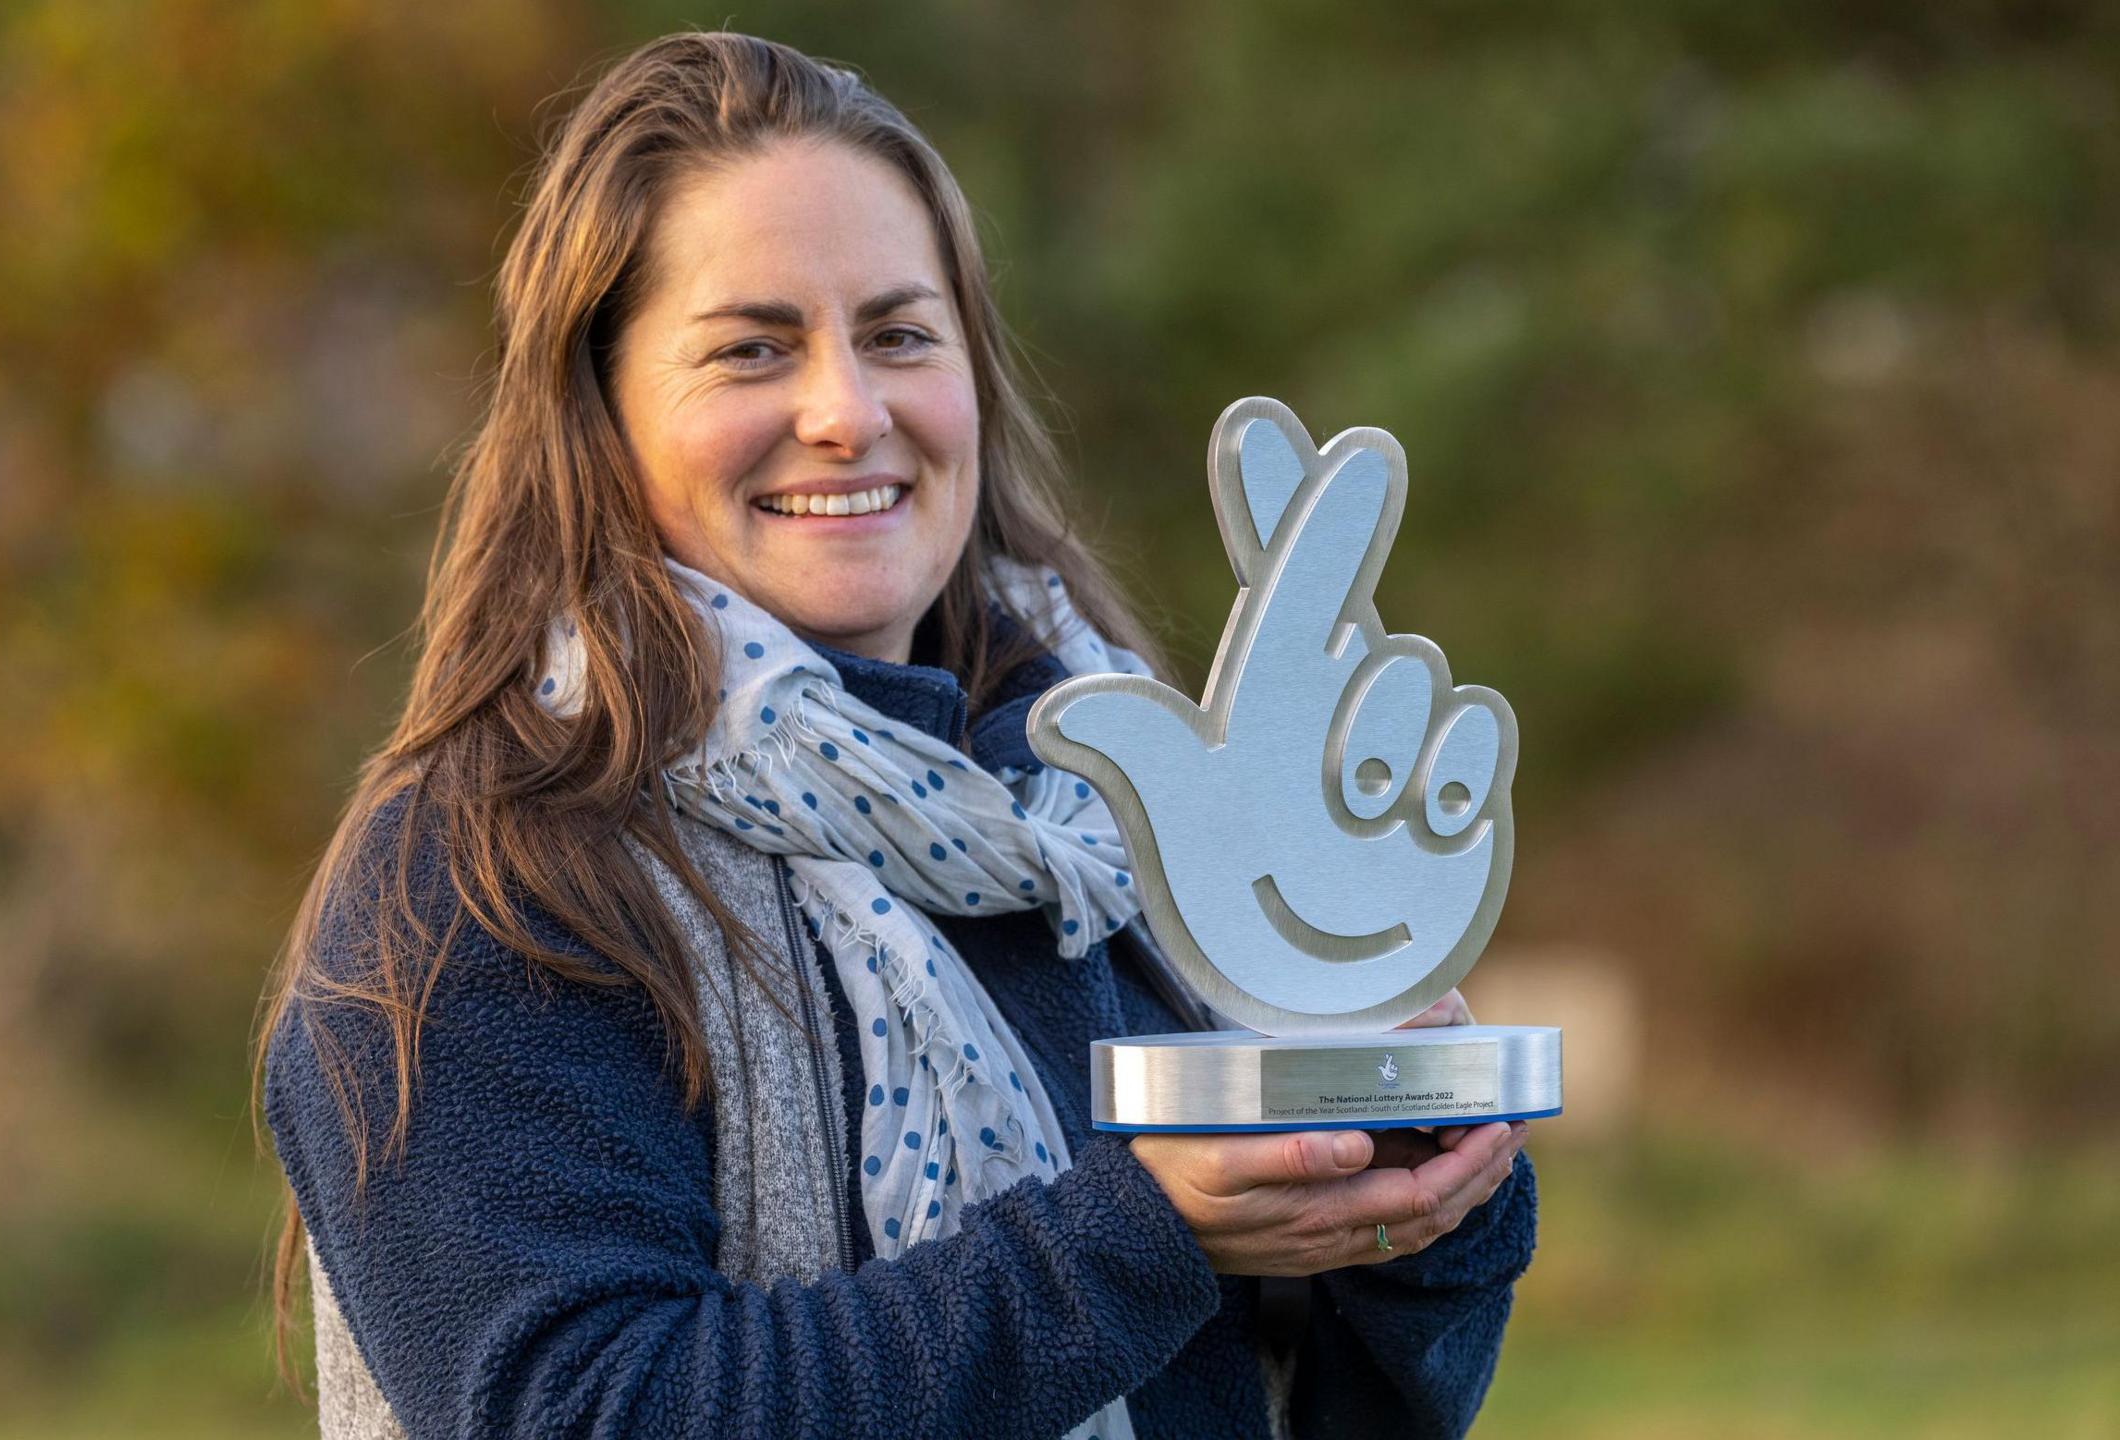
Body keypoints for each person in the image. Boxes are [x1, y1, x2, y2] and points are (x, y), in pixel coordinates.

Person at [256, 30, 1534, 1440]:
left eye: (899, 335)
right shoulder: (492, 877)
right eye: (752, 349)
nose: (847, 412)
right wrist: (1134, 1239)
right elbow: (579, 1411)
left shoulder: (1096, 824)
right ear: (597, 409)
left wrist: (1416, 1214)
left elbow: (1301, 1406)